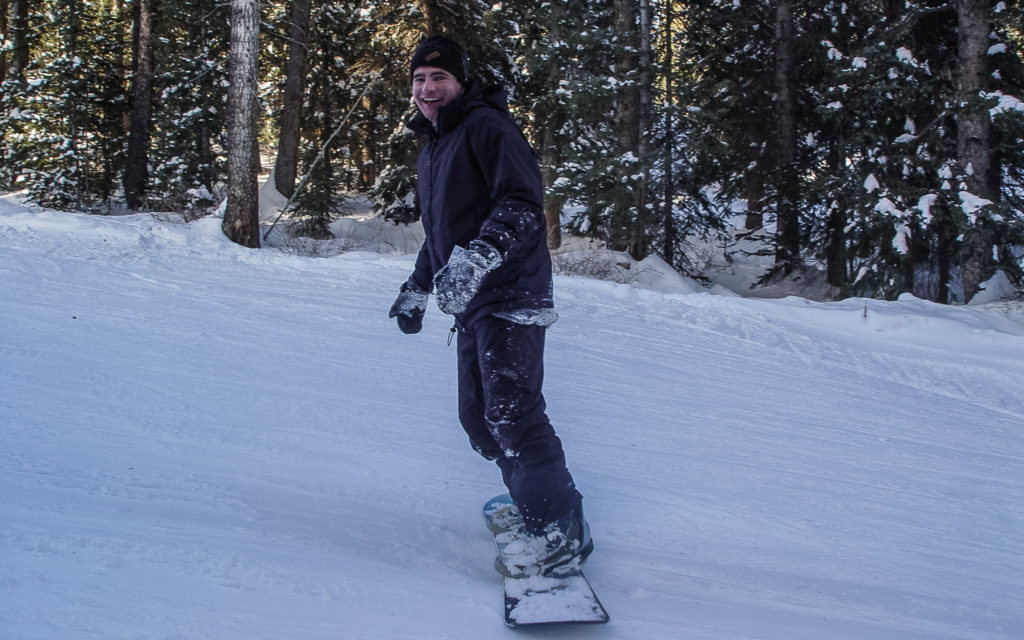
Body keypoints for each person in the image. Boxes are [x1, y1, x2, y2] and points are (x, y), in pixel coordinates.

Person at [389, 34, 592, 577]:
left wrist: (479, 258)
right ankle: (535, 507)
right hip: (473, 302)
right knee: (479, 419)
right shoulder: (434, 145)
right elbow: (442, 235)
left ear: (460, 82)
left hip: (512, 291)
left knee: (512, 413)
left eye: (439, 78)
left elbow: (524, 205)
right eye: (419, 80)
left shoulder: (488, 128)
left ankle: (558, 529)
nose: (428, 89)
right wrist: (418, 286)